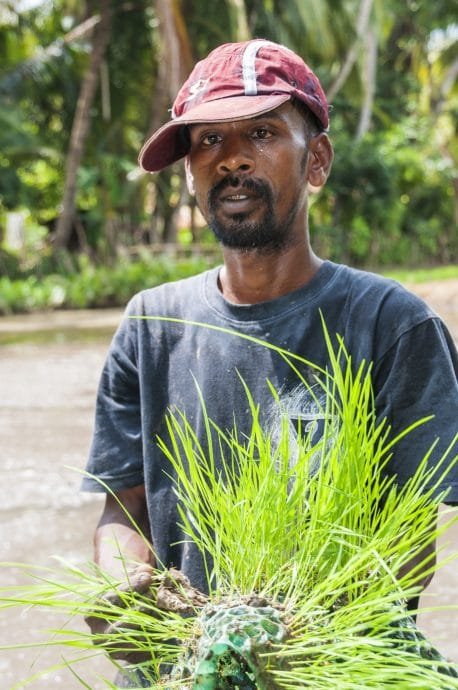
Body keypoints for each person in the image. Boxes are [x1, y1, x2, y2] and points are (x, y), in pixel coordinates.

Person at [82, 40, 458, 686]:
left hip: (336, 670)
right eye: (207, 141)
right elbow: (122, 509)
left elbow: (409, 538)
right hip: (182, 672)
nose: (230, 158)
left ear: (316, 161)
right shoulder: (149, 328)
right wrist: (128, 585)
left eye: (260, 132)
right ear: (190, 171)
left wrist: (289, 645)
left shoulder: (394, 328)